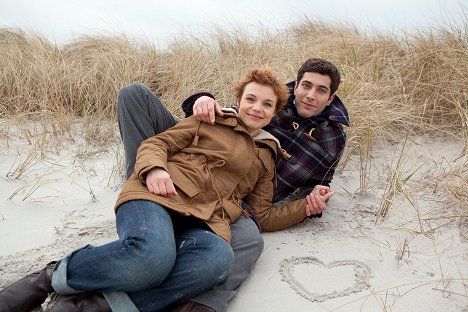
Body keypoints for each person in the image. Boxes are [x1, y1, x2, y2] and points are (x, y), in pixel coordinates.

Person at [0, 68, 332, 312]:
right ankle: (48, 278)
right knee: (151, 259)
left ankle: (94, 305)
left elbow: (262, 215)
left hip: (206, 218)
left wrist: (305, 207)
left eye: (266, 104)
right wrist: (155, 168)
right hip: (161, 194)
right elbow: (157, 144)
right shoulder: (208, 120)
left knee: (217, 260)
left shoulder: (267, 156)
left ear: (274, 113)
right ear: (238, 100)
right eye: (251, 99)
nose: (257, 108)